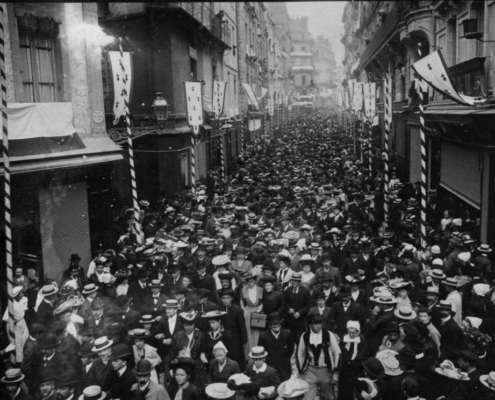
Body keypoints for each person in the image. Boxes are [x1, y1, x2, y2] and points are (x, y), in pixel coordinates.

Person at [296, 314, 341, 400]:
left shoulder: (328, 334)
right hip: (310, 370)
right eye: (315, 324)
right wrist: (301, 370)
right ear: (310, 325)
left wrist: (336, 372)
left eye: (320, 323)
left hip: (325, 370)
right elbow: (300, 353)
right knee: (308, 397)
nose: (319, 326)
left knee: (328, 397)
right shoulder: (305, 335)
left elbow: (337, 353)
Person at [257, 312, 295, 382]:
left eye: (278, 326)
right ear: (270, 326)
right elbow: (261, 351)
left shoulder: (287, 333)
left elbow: (291, 348)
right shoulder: (263, 336)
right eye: (274, 327)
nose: (277, 329)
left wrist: (284, 356)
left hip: (284, 366)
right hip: (270, 365)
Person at [239, 271, 263, 358]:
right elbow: (241, 300)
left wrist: (260, 308)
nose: (250, 283)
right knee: (248, 332)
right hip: (248, 312)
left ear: (255, 281)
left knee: (257, 332)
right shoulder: (244, 289)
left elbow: (263, 301)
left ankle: (258, 352)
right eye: (248, 282)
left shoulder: (260, 289)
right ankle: (249, 354)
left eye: (252, 281)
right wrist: (243, 308)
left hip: (257, 312)